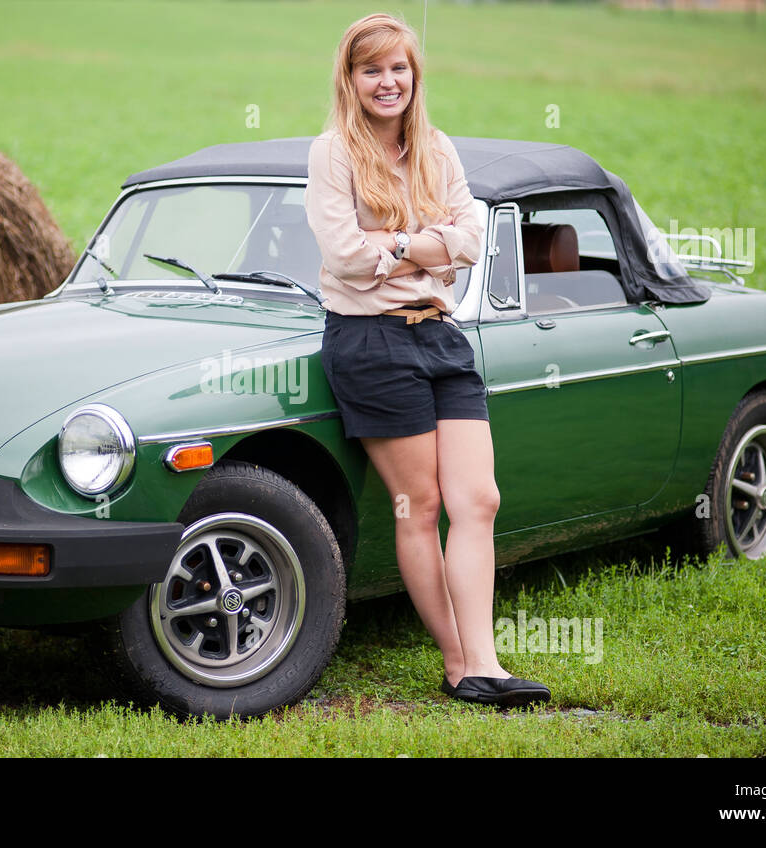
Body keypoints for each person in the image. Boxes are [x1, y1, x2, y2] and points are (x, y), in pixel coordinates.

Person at [304, 12, 550, 708]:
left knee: (480, 499)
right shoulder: (333, 154)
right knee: (421, 505)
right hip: (371, 343)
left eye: (398, 68)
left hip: (442, 336)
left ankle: (487, 661)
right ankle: (458, 667)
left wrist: (399, 246)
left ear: (416, 76)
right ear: (350, 80)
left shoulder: (436, 149)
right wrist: (427, 240)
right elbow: (346, 258)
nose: (388, 81)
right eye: (371, 69)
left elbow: (472, 238)